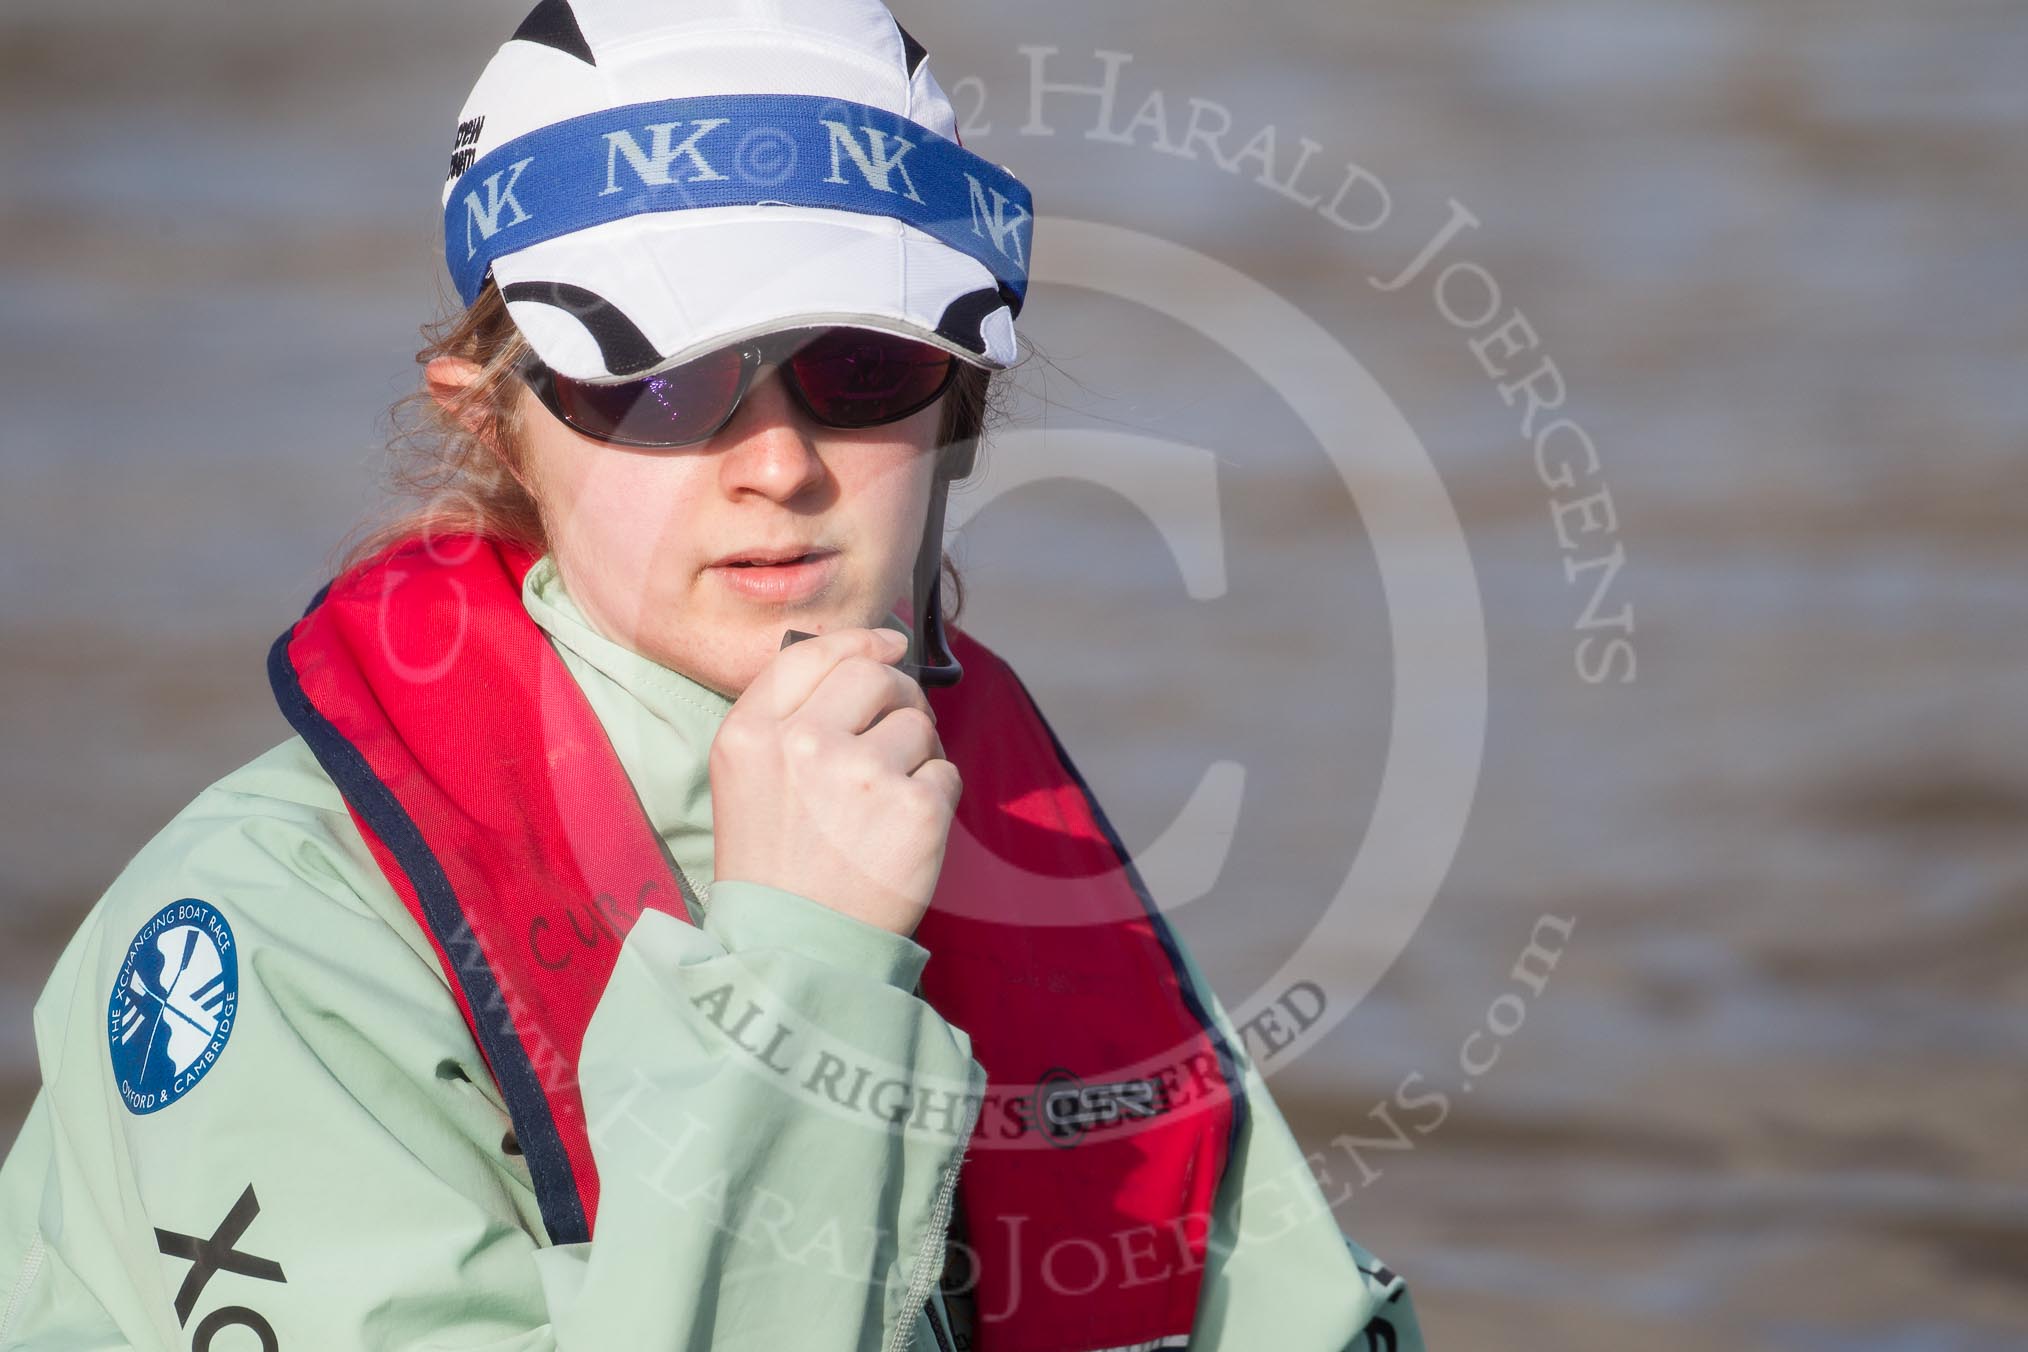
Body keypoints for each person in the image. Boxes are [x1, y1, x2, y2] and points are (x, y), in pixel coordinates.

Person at [0, 2, 1426, 1348]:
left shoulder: (993, 835)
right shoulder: (265, 938)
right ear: (500, 422)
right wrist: (802, 975)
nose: (780, 463)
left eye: (860, 368)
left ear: (959, 406)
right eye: (659, 380)